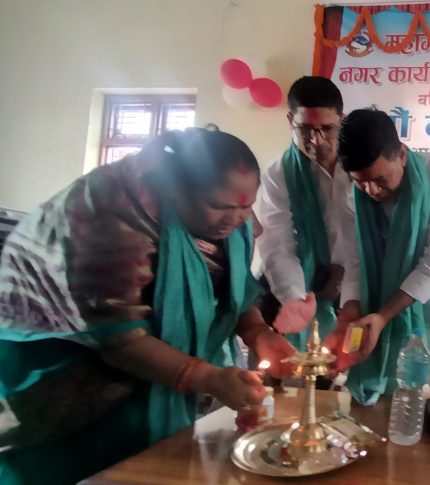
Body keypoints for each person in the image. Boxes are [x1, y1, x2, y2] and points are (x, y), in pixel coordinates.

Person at [0, 127, 296, 484]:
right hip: (62, 364)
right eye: (220, 206)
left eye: (246, 207)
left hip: (147, 357)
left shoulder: (233, 217)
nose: (235, 219)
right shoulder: (114, 217)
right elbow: (122, 343)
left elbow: (233, 287)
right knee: (92, 467)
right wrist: (209, 378)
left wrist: (258, 333)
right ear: (177, 189)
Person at [324, 109, 430, 405]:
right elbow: (354, 260)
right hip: (380, 305)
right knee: (386, 404)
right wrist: (348, 316)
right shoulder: (346, 190)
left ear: (402, 155)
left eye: (380, 179)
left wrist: (383, 316)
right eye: (361, 182)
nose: (371, 190)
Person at [257, 76, 350, 350]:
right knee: (287, 362)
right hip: (297, 281)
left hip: (357, 280)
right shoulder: (279, 173)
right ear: (290, 120)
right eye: (305, 129)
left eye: (327, 129)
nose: (316, 140)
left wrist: (343, 275)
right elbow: (278, 244)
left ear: (342, 120)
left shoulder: (360, 165)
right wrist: (297, 300)